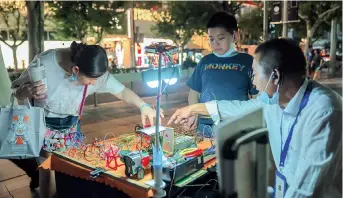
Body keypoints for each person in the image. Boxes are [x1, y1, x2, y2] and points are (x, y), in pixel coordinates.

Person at [168, 38, 342, 197]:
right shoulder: (274, 100)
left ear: (275, 76)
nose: (253, 82)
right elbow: (239, 109)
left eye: (255, 74)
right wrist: (194, 108)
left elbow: (306, 188)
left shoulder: (324, 111)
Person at [11, 41, 163, 197]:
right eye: (90, 80)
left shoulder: (95, 73)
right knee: (46, 168)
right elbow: (16, 91)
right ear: (76, 70)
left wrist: (143, 106)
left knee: (71, 167)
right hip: (43, 123)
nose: (94, 83)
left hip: (71, 125)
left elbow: (122, 92)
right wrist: (25, 91)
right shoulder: (44, 64)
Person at [185, 12, 258, 137]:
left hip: (236, 128)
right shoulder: (204, 62)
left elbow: (256, 98)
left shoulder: (248, 61)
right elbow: (194, 93)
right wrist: (194, 113)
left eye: (221, 38)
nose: (215, 44)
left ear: (235, 36)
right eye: (211, 39)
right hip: (204, 129)